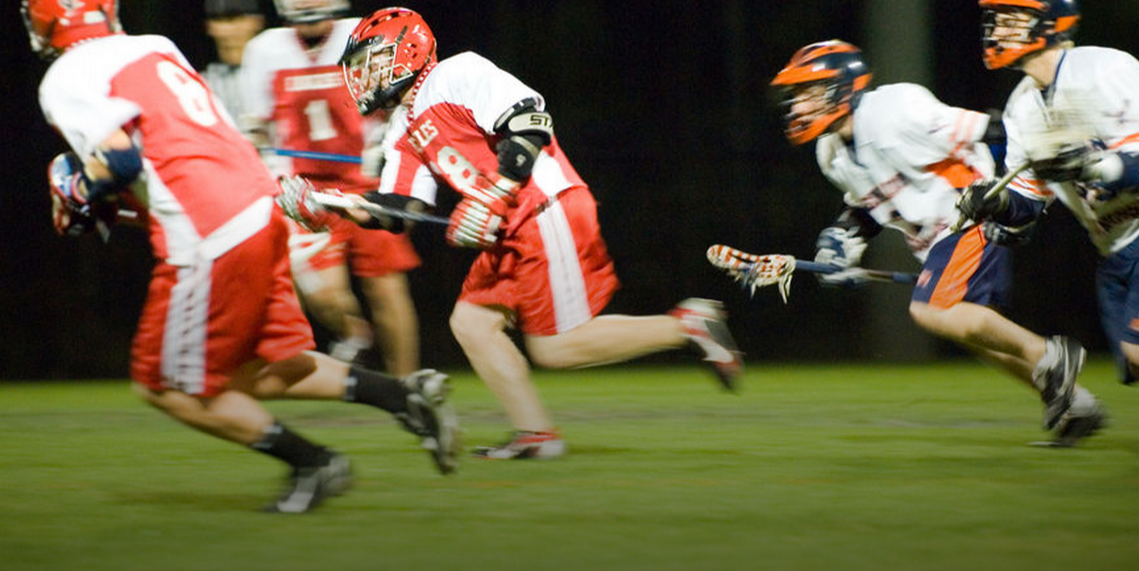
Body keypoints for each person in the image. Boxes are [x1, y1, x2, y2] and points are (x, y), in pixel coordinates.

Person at [23, 0, 458, 513]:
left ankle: (312, 462)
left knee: (165, 386)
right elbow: (180, 156)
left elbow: (120, 159)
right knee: (262, 368)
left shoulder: (66, 77)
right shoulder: (155, 48)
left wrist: (80, 190)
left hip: (210, 232)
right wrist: (111, 203)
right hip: (258, 208)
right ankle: (400, 396)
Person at [308, 6, 744, 459]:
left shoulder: (455, 73)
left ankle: (686, 327)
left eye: (372, 61)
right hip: (511, 223)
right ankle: (537, 434)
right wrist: (332, 204)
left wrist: (494, 193)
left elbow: (530, 121)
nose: (363, 76)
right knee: (473, 323)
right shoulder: (401, 126)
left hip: (543, 205)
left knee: (555, 347)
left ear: (407, 51)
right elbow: (402, 210)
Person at [770, 39, 1105, 446]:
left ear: (841, 86)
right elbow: (870, 205)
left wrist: (1017, 199)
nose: (799, 105)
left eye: (809, 91)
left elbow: (993, 130)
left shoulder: (895, 109)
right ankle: (1077, 404)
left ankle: (1050, 356)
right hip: (936, 239)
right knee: (971, 333)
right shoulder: (830, 152)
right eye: (797, 95)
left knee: (932, 310)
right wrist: (844, 239)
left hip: (971, 213)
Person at [960, 2, 1139, 393]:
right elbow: (1028, 201)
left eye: (1011, 21)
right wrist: (996, 203)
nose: (998, 31)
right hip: (1115, 246)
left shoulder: (1105, 68)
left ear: (1049, 23)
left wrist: (1094, 167)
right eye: (997, 22)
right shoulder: (1021, 107)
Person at [239, 0, 422, 375]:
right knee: (320, 292)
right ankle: (354, 334)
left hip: (365, 180)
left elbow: (402, 103)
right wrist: (271, 173)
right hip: (305, 188)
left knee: (385, 287)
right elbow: (257, 128)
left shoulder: (363, 36)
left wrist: (386, 150)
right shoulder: (265, 49)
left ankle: (408, 386)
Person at [201, 0, 265, 123]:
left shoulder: (277, 75)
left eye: (235, 19)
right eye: (218, 20)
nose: (226, 31)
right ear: (210, 27)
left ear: (257, 21)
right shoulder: (201, 85)